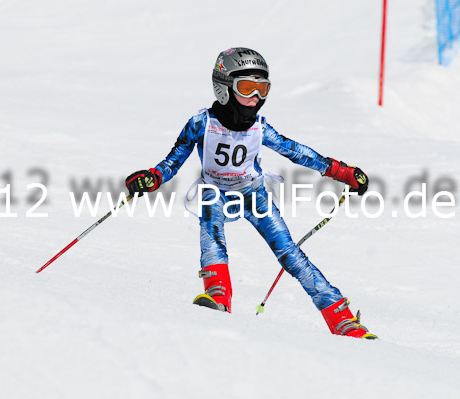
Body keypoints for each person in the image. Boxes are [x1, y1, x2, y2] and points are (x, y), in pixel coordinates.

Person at [125, 47, 377, 339]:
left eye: (263, 89)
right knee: (212, 237)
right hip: (214, 192)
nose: (256, 98)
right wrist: (152, 179)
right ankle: (218, 296)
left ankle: (342, 319)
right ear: (223, 88)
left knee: (291, 256)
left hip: (253, 193)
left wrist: (342, 172)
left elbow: (297, 152)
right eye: (247, 88)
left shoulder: (259, 127)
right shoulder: (202, 123)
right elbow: (172, 161)